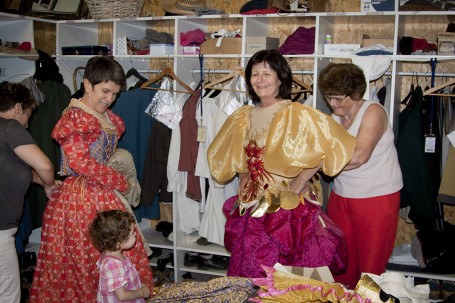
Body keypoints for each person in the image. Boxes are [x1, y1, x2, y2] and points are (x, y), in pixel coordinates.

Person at [207, 50, 356, 278]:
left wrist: (300, 182)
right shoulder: (244, 115)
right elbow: (243, 158)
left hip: (286, 209)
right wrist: (243, 182)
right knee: (252, 271)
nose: (260, 79)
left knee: (284, 275)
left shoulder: (295, 112)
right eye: (255, 74)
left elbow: (328, 147)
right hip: (251, 206)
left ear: (280, 78)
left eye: (267, 73)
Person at [30, 56, 153, 302]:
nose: (109, 99)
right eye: (105, 91)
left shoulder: (109, 118)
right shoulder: (75, 117)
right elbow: (80, 163)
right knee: (83, 260)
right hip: (79, 199)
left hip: (104, 193)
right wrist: (119, 181)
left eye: (114, 94)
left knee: (118, 250)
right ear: (87, 84)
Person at [318, 62, 403, 289]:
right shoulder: (335, 116)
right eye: (328, 97)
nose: (332, 103)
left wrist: (320, 164)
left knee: (370, 272)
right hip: (341, 198)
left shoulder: (373, 112)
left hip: (376, 199)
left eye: (338, 98)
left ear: (355, 93)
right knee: (342, 266)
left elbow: (359, 156)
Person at [0, 81, 60, 303]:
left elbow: (14, 169)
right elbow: (45, 166)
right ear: (17, 108)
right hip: (0, 231)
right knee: (8, 295)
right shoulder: (10, 127)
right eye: (28, 115)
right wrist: (48, 184)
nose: (27, 124)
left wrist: (40, 181)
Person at [88, 210, 151, 302]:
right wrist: (141, 292)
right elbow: (122, 296)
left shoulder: (110, 255)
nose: (135, 234)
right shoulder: (113, 264)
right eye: (132, 233)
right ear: (118, 242)